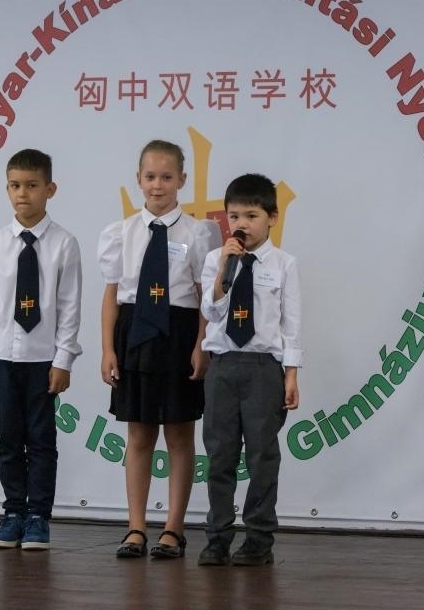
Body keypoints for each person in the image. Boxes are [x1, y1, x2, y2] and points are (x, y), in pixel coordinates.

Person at [98, 139, 220, 559]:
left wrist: (202, 344)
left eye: (166, 177)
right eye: (150, 177)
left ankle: (173, 528)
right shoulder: (120, 233)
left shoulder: (198, 233)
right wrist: (107, 349)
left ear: (182, 180)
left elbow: (205, 295)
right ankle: (135, 527)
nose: (157, 185)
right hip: (134, 334)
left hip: (179, 333)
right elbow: (111, 296)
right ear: (138, 179)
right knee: (138, 433)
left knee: (180, 433)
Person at [0, 148, 82, 551]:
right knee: (8, 439)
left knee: (40, 439)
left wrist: (64, 359)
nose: (23, 194)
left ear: (50, 189)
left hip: (42, 358)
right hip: (1, 356)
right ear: (7, 190)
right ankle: (13, 513)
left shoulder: (64, 244)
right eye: (15, 186)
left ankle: (38, 516)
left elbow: (69, 306)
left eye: (32, 186)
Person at [197, 173, 302, 567]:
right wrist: (225, 267)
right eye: (234, 216)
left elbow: (291, 324)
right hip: (223, 366)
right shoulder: (216, 260)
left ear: (272, 217)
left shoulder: (284, 264)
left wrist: (291, 374)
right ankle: (217, 537)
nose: (242, 224)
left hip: (263, 369)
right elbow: (211, 312)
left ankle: (258, 538)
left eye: (251, 216)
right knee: (220, 454)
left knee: (262, 456)